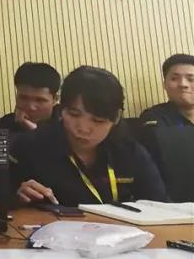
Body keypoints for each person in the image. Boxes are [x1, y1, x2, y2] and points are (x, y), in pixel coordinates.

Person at [10, 66, 167, 206]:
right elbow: (3, 202)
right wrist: (17, 197)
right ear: (61, 109)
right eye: (74, 114)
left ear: (117, 117)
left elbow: (160, 206)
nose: (83, 129)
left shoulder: (131, 151)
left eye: (98, 121)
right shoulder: (29, 146)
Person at [0, 62, 61, 133]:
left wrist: (35, 133)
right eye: (23, 98)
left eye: (39, 100)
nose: (31, 107)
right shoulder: (3, 125)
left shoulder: (66, 125)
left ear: (55, 99)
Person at [140, 53, 194, 128]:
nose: (183, 84)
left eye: (191, 79)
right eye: (174, 79)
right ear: (165, 84)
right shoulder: (154, 116)